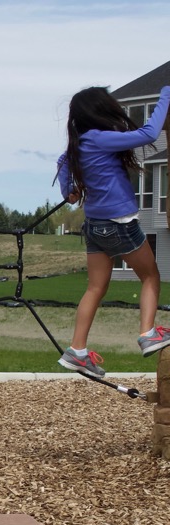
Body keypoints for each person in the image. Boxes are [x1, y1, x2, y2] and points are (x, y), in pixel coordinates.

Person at [55, 84, 170, 376]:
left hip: (94, 226)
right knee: (150, 275)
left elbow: (68, 193)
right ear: (98, 110)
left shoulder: (77, 147)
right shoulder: (98, 138)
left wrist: (71, 188)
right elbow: (149, 134)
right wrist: (166, 95)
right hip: (119, 223)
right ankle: (147, 333)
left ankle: (77, 350)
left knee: (95, 287)